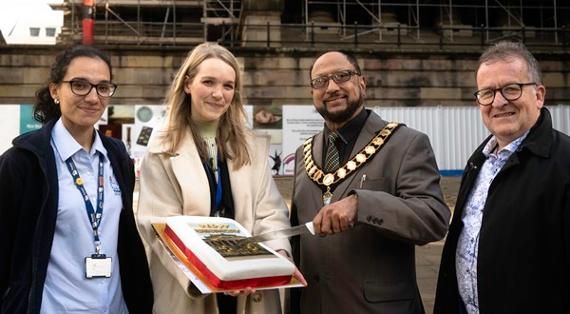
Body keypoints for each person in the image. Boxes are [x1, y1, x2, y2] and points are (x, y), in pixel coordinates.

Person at [137, 42, 305, 314]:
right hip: (190, 289)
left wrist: (276, 258)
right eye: (209, 82)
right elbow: (159, 227)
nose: (219, 94)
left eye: (228, 86)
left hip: (251, 289)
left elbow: (270, 214)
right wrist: (211, 274)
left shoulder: (252, 147)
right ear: (188, 84)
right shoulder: (161, 148)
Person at [289, 50, 450, 314]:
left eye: (342, 76)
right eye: (320, 81)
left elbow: (433, 219)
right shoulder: (302, 153)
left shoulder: (406, 143)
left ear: (361, 83)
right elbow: (298, 240)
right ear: (312, 93)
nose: (331, 87)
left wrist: (362, 205)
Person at [0, 45, 153, 313]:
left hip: (115, 306)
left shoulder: (117, 156)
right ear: (55, 91)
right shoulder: (23, 161)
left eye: (102, 87)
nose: (93, 97)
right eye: (80, 85)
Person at [434, 41, 570, 313]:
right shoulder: (479, 160)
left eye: (511, 89)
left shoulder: (564, 163)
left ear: (539, 95)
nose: (498, 102)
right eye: (487, 93)